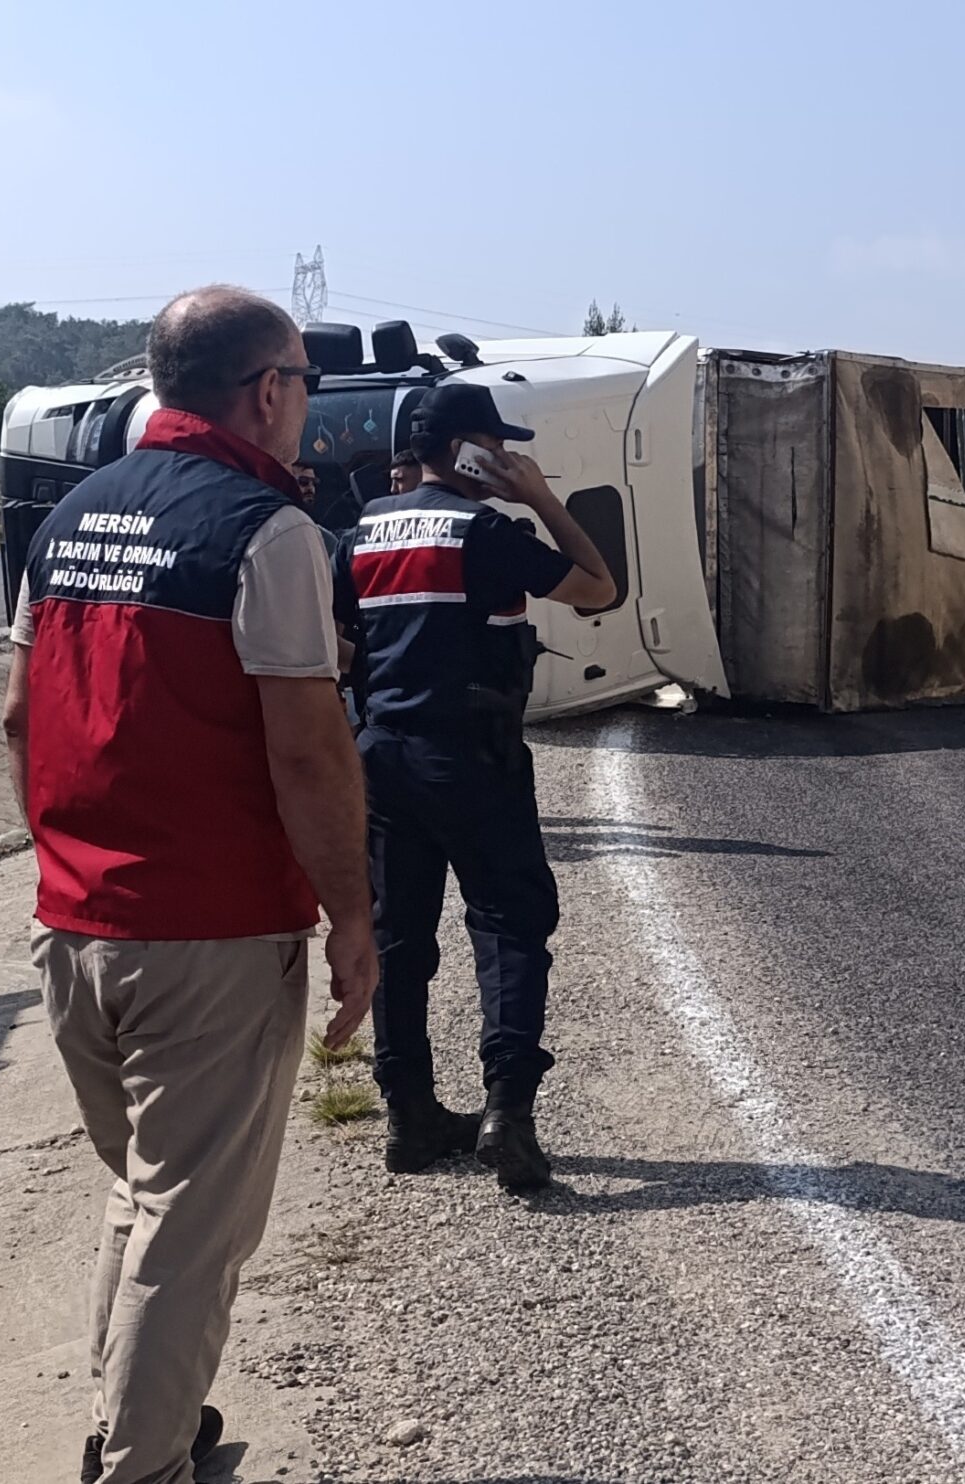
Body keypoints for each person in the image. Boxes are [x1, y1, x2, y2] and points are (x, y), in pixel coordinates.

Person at [1, 286, 376, 1484]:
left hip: (74, 926)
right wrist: (356, 914)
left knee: (144, 1192)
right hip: (207, 931)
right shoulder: (266, 535)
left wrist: (67, 863)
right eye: (304, 388)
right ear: (268, 389)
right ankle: (140, 1467)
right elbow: (308, 749)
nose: (305, 412)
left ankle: (136, 1420)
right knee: (192, 1231)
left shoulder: (66, 520)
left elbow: (20, 715)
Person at [343, 384, 616, 1191]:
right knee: (509, 923)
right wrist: (538, 495)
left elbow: (341, 640)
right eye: (499, 448)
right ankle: (509, 1115)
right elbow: (599, 587)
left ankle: (409, 1116)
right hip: (474, 756)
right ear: (471, 449)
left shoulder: (357, 532)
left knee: (401, 938)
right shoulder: (486, 530)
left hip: (383, 756)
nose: (506, 460)